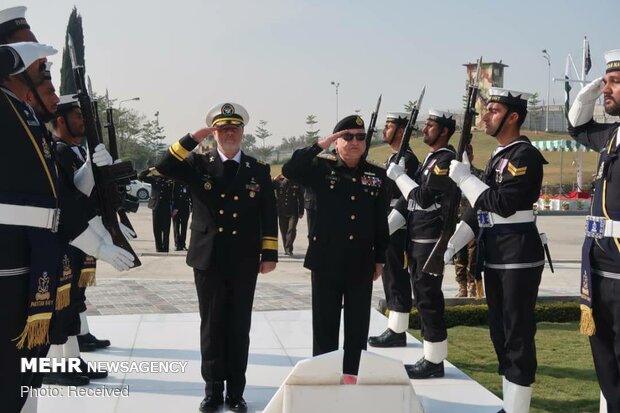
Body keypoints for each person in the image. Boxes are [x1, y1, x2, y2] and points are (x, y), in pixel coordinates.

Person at [0, 39, 132, 413]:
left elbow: (58, 196)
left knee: (24, 376)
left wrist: (98, 242)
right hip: (11, 260)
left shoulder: (22, 117)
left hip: (30, 256)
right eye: (31, 54)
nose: (44, 67)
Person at [156, 102, 278, 413]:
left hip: (243, 259)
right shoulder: (198, 164)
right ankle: (212, 391)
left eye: (234, 129)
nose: (229, 134)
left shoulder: (257, 170)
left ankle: (236, 392)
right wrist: (191, 139)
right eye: (222, 129)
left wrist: (269, 254)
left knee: (238, 326)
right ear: (214, 133)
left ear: (242, 133)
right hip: (208, 258)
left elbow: (268, 213)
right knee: (211, 326)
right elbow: (164, 165)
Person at [445, 88, 547, 413]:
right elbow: (479, 210)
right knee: (500, 331)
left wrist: (464, 180)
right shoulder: (498, 156)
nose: (485, 117)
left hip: (518, 252)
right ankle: (511, 404)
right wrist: (452, 244)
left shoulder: (524, 156)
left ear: (512, 116)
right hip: (496, 253)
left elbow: (502, 204)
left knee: (517, 332)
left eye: (493, 110)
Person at [282, 115, 389, 383]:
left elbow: (380, 221)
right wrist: (320, 145)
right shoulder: (319, 167)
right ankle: (325, 378)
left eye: (360, 137)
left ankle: (353, 376)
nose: (355, 142)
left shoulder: (376, 175)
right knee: (325, 325)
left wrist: (380, 259)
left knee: (357, 326)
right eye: (348, 136)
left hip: (361, 261)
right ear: (336, 141)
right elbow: (290, 169)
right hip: (325, 260)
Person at [567, 49, 620, 412]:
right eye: (606, 81)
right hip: (599, 269)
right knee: (606, 365)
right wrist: (587, 94)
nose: (607, 89)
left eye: (615, 82)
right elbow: (578, 127)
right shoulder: (612, 137)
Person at [386, 109, 457, 379]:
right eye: (425, 124)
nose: (425, 129)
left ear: (445, 131)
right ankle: (431, 355)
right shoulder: (431, 159)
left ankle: (434, 360)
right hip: (418, 237)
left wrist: (400, 177)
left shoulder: (444, 160)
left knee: (428, 299)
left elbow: (424, 198)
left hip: (430, 240)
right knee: (423, 297)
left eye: (431, 125)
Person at [368, 112, 419, 348]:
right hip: (388, 220)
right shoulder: (394, 158)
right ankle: (394, 326)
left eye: (388, 126)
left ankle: (398, 330)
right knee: (389, 275)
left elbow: (403, 197)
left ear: (400, 131)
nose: (383, 130)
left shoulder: (406, 159)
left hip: (398, 224)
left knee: (396, 276)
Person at [453, 144, 484, 298]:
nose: (468, 155)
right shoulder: (453, 175)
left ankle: (473, 285)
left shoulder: (479, 174)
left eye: (469, 152)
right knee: (459, 255)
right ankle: (462, 286)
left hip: (474, 222)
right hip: (458, 220)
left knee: (474, 256)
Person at [138, 167, 174, 252]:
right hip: (156, 206)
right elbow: (141, 177)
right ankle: (158, 247)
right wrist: (149, 170)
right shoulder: (154, 178)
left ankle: (165, 248)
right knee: (156, 228)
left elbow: (174, 192)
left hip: (166, 206)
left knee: (166, 228)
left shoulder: (170, 179)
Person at [273, 174, 304, 255]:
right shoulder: (278, 182)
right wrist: (274, 179)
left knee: (292, 229)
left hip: (293, 211)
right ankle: (286, 248)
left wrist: (301, 211)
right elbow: (268, 186)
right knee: (284, 231)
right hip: (281, 211)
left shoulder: (297, 182)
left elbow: (301, 197)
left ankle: (288, 249)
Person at [172, 180, 191, 251]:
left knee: (184, 227)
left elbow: (190, 195)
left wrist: (191, 207)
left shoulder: (187, 183)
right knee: (176, 227)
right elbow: (173, 195)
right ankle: (177, 244)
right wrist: (175, 207)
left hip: (185, 208)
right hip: (176, 209)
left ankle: (183, 244)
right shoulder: (175, 182)